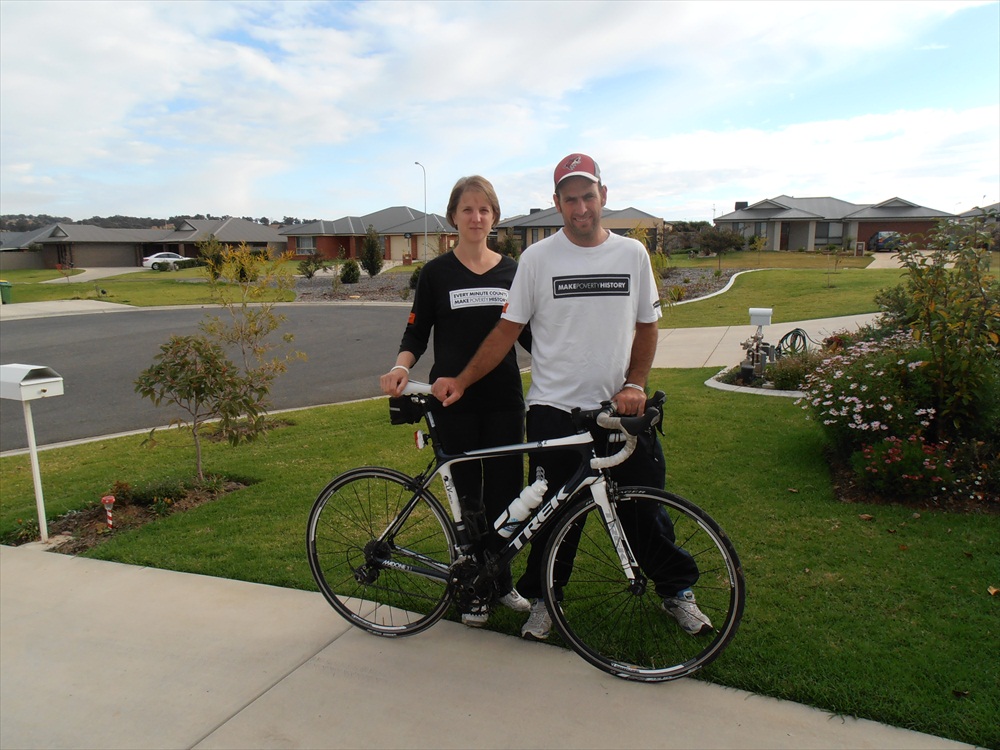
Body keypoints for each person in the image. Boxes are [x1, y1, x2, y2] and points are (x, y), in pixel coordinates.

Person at [432, 153, 710, 640]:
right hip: (553, 412)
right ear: (556, 202)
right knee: (552, 515)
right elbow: (506, 331)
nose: (580, 207)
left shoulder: (632, 256)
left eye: (588, 195)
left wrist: (635, 385)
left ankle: (676, 592)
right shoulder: (538, 260)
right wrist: (462, 379)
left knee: (644, 508)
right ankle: (544, 599)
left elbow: (647, 326)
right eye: (570, 198)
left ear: (603, 195)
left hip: (620, 411)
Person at [380, 175, 532, 627]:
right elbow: (416, 331)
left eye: (484, 209)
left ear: (495, 218)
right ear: (453, 217)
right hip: (453, 403)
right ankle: (473, 591)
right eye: (467, 209)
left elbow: (531, 338)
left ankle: (500, 582)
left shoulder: (514, 272)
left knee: (508, 497)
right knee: (468, 499)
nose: (476, 217)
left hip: (504, 400)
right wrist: (402, 367)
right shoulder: (436, 273)